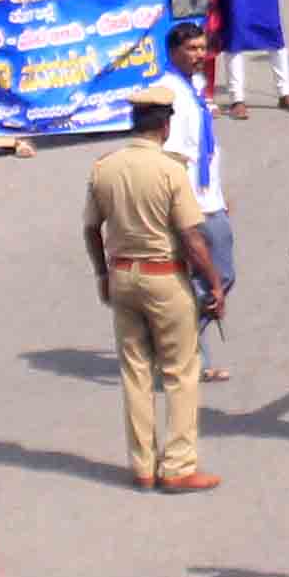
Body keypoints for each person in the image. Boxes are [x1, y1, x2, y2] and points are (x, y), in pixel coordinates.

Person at [83, 94, 227, 496]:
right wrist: (213, 282)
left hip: (122, 276)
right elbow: (192, 238)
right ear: (165, 126)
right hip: (165, 277)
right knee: (181, 371)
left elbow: (91, 229)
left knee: (135, 371)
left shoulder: (105, 168)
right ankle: (178, 466)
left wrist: (101, 273)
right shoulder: (169, 170)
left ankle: (143, 466)